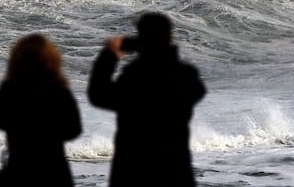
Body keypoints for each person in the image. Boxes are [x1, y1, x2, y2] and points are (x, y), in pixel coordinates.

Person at [88, 12, 206, 187]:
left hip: (133, 170)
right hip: (174, 169)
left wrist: (109, 55)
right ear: (170, 37)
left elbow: (99, 95)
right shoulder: (186, 75)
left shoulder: (133, 77)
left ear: (140, 37)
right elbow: (198, 91)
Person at [0, 34, 82, 187]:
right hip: (55, 169)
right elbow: (74, 129)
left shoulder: (9, 88)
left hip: (20, 167)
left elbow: (0, 121)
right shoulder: (58, 89)